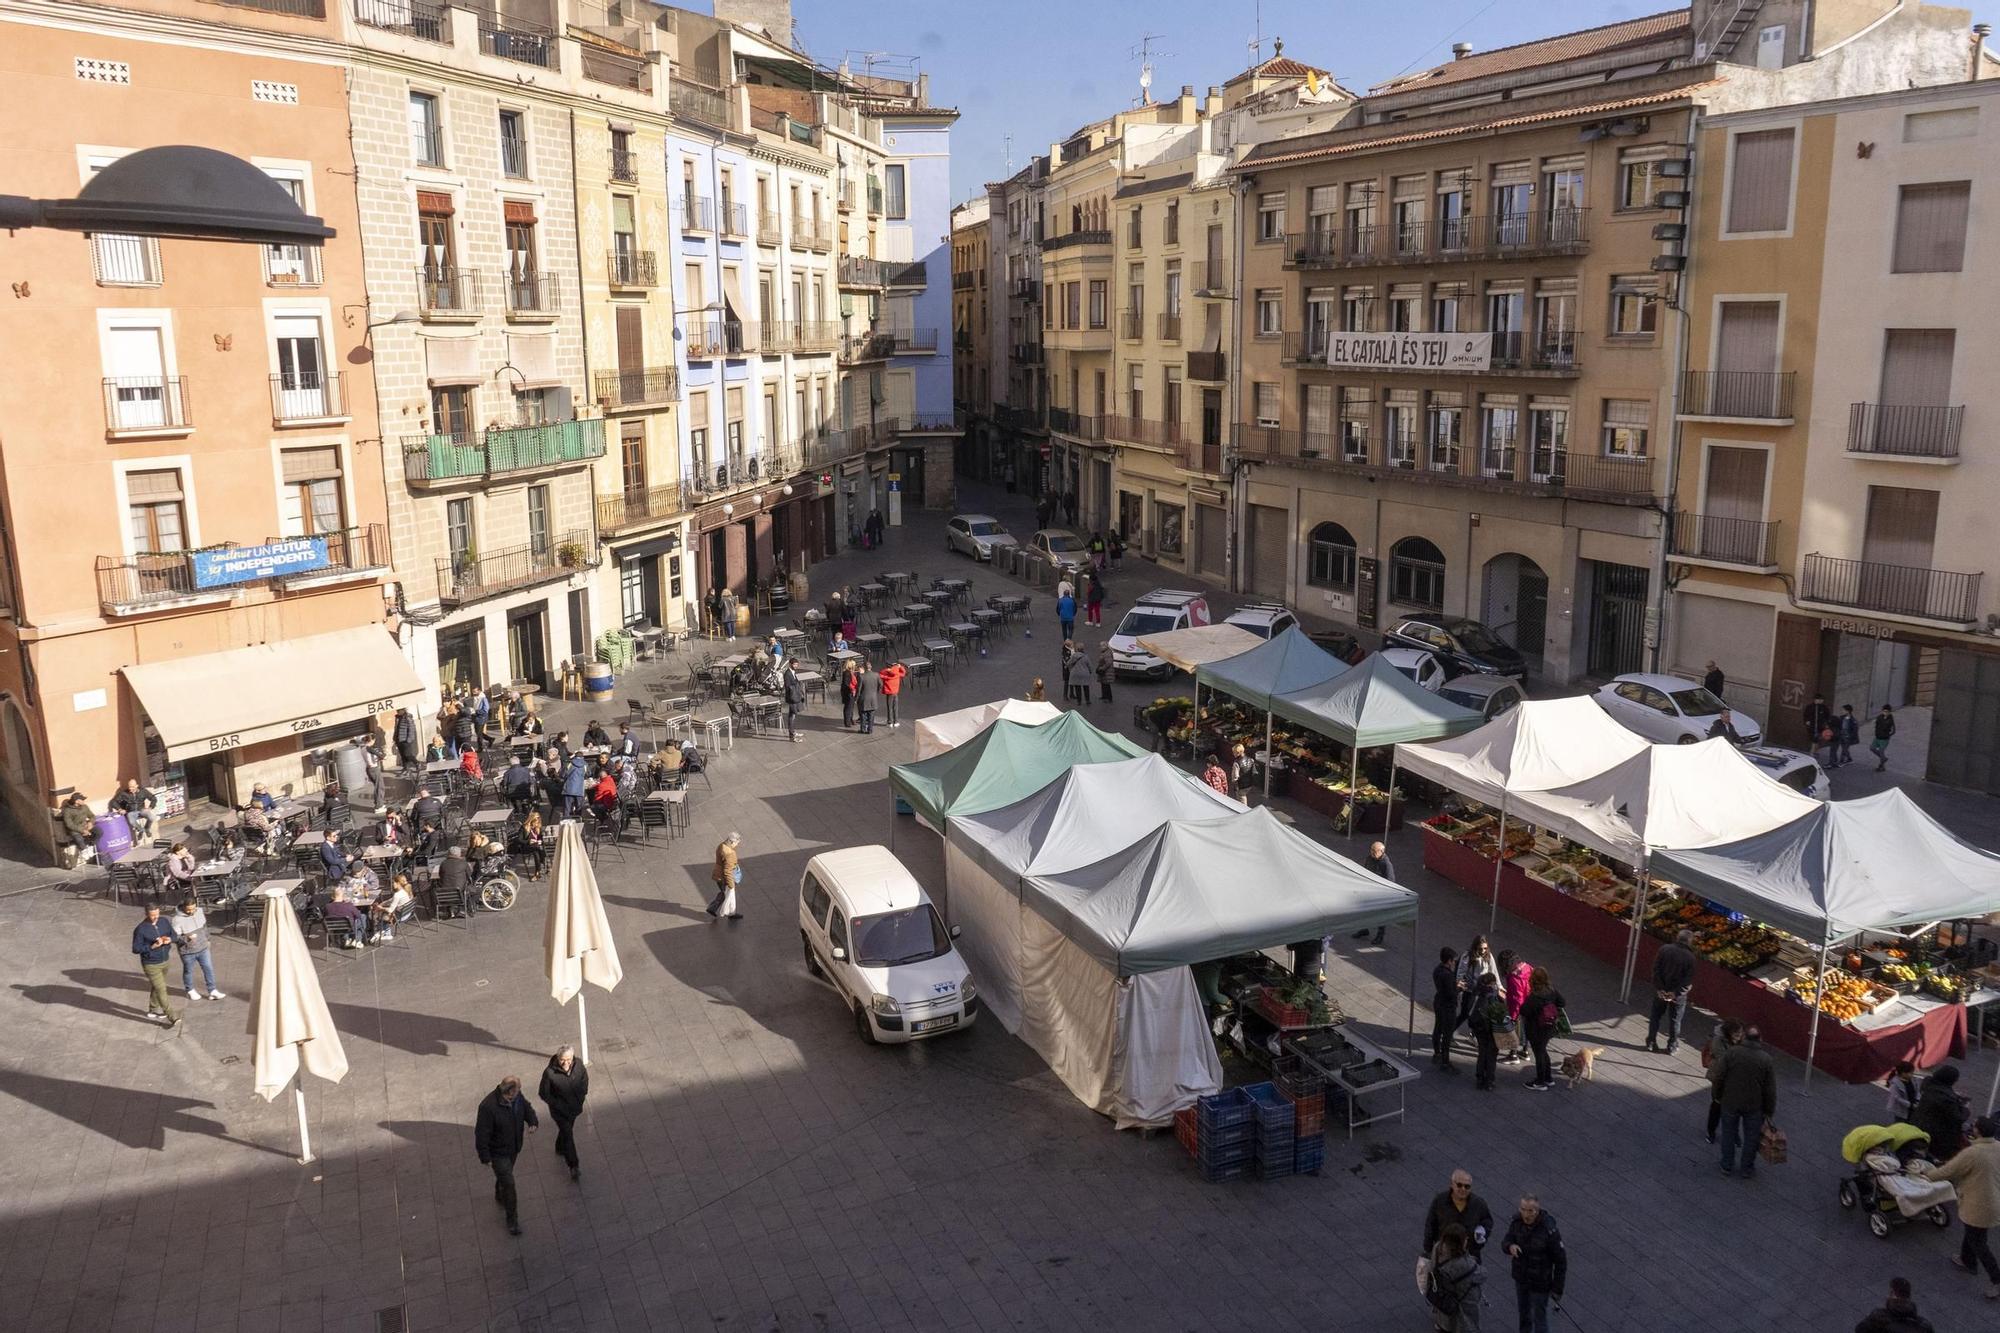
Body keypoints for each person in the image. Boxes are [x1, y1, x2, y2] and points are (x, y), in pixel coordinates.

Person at [1916, 1115, 2000, 1301]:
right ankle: (1967, 1260)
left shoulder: (1973, 1152)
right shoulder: (1997, 1147)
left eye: (1975, 1127)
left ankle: (1996, 1279)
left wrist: (1927, 1175)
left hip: (1977, 1204)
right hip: (1992, 1202)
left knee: (1979, 1242)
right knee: (1975, 1233)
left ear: (1978, 1131)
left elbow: (1949, 1170)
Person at [1708, 1021, 1777, 1178]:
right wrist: (1769, 1110)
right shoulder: (1766, 1060)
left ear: (1745, 1037)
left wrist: (1717, 1095)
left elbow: (1720, 1076)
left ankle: (1726, 1165)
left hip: (1730, 1101)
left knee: (1728, 1133)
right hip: (1754, 1105)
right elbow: (1770, 1089)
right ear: (1760, 1039)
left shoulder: (1732, 1053)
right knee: (1751, 1138)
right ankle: (1746, 1168)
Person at [474, 1075, 539, 1237]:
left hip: (514, 1147)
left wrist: (532, 1121)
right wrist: (485, 1157)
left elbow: (527, 1108)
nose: (519, 1093)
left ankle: (499, 1190)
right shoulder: (488, 1107)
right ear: (510, 1092)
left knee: (504, 1177)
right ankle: (512, 1220)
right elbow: (481, 1134)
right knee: (509, 1184)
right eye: (517, 1090)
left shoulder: (517, 1098)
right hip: (498, 1152)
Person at [1501, 1195, 1567, 1333]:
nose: (1526, 1214)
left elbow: (1561, 1260)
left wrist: (1557, 1289)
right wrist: (1510, 1246)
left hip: (1540, 1282)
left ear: (1537, 1211)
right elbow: (1506, 1241)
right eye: (1523, 1209)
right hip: (1522, 1278)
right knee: (1524, 1315)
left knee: (1540, 1319)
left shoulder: (1549, 1230)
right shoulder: (1516, 1222)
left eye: (1530, 1211)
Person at [539, 1045, 589, 1183]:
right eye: (562, 1060)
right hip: (560, 1111)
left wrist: (581, 1096)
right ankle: (573, 1165)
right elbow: (544, 1093)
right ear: (557, 1058)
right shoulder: (549, 1073)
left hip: (574, 1108)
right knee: (568, 1134)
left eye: (568, 1059)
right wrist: (557, 1105)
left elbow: (584, 1081)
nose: (566, 1063)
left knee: (566, 1131)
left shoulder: (578, 1066)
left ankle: (559, 1147)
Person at [1423, 1169, 1495, 1261]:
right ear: (1452, 1184)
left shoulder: (1478, 1204)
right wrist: (1428, 1249)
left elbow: (1487, 1222)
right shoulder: (1440, 1201)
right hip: (1444, 1253)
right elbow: (1430, 1224)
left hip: (1469, 1254)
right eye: (1459, 1185)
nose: (1463, 1189)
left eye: (1467, 1186)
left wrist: (1478, 1243)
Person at [1646, 928, 1698, 1054]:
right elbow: (1687, 980)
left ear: (1677, 938)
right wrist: (1675, 993)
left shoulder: (1664, 949)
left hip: (1661, 990)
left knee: (1655, 1017)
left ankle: (1651, 1042)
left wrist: (1660, 989)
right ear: (1689, 942)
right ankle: (1672, 1045)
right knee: (1675, 1020)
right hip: (1677, 995)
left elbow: (1656, 970)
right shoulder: (1690, 958)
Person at [1426, 1224, 1483, 1333]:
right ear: (1460, 1242)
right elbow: (1481, 1274)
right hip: (1461, 1313)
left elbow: (1432, 1267)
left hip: (1443, 1305)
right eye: (1465, 1239)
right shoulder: (1465, 1264)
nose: (1467, 1241)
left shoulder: (1438, 1248)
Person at [132, 905, 181, 1026]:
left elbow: (174, 935)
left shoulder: (164, 921)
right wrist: (151, 947)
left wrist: (170, 939)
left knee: (157, 986)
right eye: (152, 915)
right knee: (161, 989)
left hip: (165, 961)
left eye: (157, 914)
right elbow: (136, 949)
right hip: (151, 964)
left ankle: (153, 1010)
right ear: (146, 914)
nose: (155, 917)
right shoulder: (140, 929)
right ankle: (172, 1016)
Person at [1911, 1064, 1970, 1163]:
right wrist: (1965, 1109)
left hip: (1918, 1124)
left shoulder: (1929, 1085)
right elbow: (1958, 1117)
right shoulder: (1947, 1099)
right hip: (1937, 1135)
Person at [1520, 967, 1566, 1091]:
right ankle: (1548, 1078)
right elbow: (1562, 1003)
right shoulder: (1552, 991)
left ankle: (1540, 1082)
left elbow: (1523, 1011)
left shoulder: (1534, 997)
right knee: (1543, 1051)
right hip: (1549, 1027)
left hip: (1535, 1029)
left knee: (1539, 1054)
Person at [171, 897, 223, 1002]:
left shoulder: (199, 912)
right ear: (184, 907)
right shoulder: (177, 919)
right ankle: (190, 990)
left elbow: (204, 927)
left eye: (193, 909)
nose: (191, 912)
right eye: (188, 909)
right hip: (187, 951)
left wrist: (208, 939)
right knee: (188, 971)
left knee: (208, 968)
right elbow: (174, 937)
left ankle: (212, 990)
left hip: (203, 947)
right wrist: (186, 938)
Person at [1853, 1276, 1937, 1333]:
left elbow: (1859, 1330)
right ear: (1909, 1297)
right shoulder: (1924, 1326)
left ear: (1892, 1294)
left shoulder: (1878, 1318)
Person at [1467, 974, 1504, 1091]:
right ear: (1491, 983)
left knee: (1482, 1052)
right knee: (1492, 1055)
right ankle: (1489, 1080)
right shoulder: (1492, 996)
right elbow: (1500, 1013)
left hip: (1478, 1029)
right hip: (1491, 1030)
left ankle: (1480, 1078)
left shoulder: (1476, 993)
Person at [1456, 936, 1498, 1037]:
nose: (1483, 951)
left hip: (1483, 991)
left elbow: (1494, 971)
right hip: (1470, 990)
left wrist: (1498, 987)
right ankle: (1448, 1033)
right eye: (1480, 948)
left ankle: (1473, 1035)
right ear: (1475, 947)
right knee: (1465, 1014)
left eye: (1485, 948)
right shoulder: (1468, 956)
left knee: (1480, 1014)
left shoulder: (1489, 956)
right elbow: (1461, 972)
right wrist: (1460, 985)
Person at [1353, 841, 1394, 945]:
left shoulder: (1386, 864)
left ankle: (1380, 935)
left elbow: (1390, 880)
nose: (1371, 852)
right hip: (1368, 890)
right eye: (1371, 850)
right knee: (1364, 910)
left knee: (1381, 915)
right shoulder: (1369, 858)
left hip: (1381, 894)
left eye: (1374, 851)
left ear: (1382, 851)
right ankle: (1364, 929)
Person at [1498, 950, 1532, 1064]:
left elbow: (1517, 999)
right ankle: (1525, 1051)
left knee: (1514, 1031)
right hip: (1530, 1004)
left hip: (1519, 1009)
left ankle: (1513, 1055)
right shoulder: (1527, 967)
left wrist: (1513, 1016)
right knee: (1526, 1029)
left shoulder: (1513, 978)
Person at [1431, 947, 1460, 1072]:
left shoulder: (1437, 970)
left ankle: (1437, 1053)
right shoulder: (1448, 975)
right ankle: (1445, 1061)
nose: (1454, 963)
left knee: (1437, 1028)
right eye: (1453, 961)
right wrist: (1459, 988)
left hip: (1438, 1003)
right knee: (1447, 1034)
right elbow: (1451, 994)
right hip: (1447, 1007)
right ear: (1449, 961)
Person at [109, 778, 157, 843]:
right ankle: (140, 830)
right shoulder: (124, 793)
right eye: (129, 787)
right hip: (131, 812)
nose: (130, 789)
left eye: (132, 787)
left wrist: (150, 808)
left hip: (141, 810)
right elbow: (113, 802)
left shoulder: (143, 791)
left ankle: (147, 828)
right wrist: (120, 809)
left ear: (137, 786)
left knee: (152, 817)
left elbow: (154, 798)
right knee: (130, 817)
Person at [709, 831, 743, 920]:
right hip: (724, 878)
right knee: (728, 893)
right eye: (736, 843)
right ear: (732, 842)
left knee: (726, 894)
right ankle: (727, 912)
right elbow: (727, 871)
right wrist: (731, 885)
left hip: (718, 875)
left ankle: (730, 912)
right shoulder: (730, 853)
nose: (737, 845)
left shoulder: (721, 845)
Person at [371, 875, 414, 941]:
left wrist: (380, 908)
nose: (392, 884)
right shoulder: (405, 891)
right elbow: (391, 900)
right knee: (383, 911)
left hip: (401, 917)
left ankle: (387, 934)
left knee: (382, 915)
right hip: (407, 913)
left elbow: (390, 910)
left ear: (398, 883)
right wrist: (383, 903)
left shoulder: (397, 895)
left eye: (393, 882)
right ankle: (382, 930)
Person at [59, 793, 96, 865]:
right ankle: (84, 850)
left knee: (99, 831)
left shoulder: (85, 807)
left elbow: (92, 816)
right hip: (75, 829)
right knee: (78, 838)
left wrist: (91, 822)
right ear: (76, 801)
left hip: (85, 826)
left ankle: (90, 846)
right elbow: (69, 824)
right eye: (82, 799)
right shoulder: (67, 811)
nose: (83, 801)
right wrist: (82, 830)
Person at [1802, 692, 1834, 765]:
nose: (1820, 701)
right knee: (1814, 739)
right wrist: (1806, 721)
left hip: (1821, 727)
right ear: (1815, 700)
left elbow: (1828, 716)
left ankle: (1812, 752)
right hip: (1812, 726)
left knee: (1816, 740)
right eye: (1819, 699)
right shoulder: (1810, 707)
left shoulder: (1824, 708)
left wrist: (1827, 724)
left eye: (1821, 700)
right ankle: (1814, 752)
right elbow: (1805, 715)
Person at [782, 659, 807, 742]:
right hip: (791, 697)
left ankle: (793, 732)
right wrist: (797, 686)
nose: (796, 666)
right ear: (790, 664)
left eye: (797, 664)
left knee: (792, 715)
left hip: (794, 696)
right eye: (794, 664)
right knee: (792, 716)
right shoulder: (787, 674)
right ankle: (792, 736)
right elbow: (788, 686)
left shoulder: (793, 672)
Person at [561, 752, 590, 820]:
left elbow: (563, 775)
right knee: (579, 807)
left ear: (574, 756)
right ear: (582, 757)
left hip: (568, 789)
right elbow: (588, 774)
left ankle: (566, 822)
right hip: (579, 789)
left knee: (567, 808)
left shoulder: (570, 763)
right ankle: (578, 822)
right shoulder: (585, 764)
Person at [879, 660, 907, 728]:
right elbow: (903, 673)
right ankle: (896, 721)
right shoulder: (897, 674)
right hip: (895, 692)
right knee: (895, 707)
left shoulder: (886, 674)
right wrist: (900, 667)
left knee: (889, 707)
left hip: (889, 693)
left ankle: (889, 722)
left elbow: (880, 674)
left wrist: (887, 670)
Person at [857, 665, 882, 735]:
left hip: (863, 698)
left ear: (864, 668)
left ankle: (863, 729)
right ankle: (870, 730)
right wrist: (876, 692)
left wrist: (856, 698)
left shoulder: (861, 676)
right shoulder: (876, 675)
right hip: (873, 699)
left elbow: (859, 689)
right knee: (871, 715)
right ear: (871, 667)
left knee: (863, 715)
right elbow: (881, 685)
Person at [1873, 704, 1897, 772]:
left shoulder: (1890, 719)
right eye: (1884, 711)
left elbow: (1893, 730)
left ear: (1889, 712)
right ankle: (1883, 758)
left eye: (1886, 711)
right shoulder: (1879, 717)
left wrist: (1888, 735)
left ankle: (1882, 766)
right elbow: (1876, 724)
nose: (1885, 713)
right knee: (1872, 748)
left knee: (1881, 751)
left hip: (1884, 739)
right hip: (1877, 737)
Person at [840, 660, 862, 729]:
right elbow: (847, 684)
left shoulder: (852, 672)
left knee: (851, 707)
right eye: (854, 665)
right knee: (848, 707)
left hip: (852, 692)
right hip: (848, 693)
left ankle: (850, 719)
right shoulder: (846, 673)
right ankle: (847, 722)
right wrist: (852, 689)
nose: (855, 666)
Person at [1836, 704, 1860, 768]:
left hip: (1848, 737)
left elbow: (1855, 730)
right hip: (1842, 736)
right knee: (1845, 749)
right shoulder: (1841, 717)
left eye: (1843, 710)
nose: (1842, 711)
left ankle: (1841, 761)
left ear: (1848, 711)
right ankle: (1849, 759)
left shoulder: (1853, 720)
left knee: (1844, 749)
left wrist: (1850, 736)